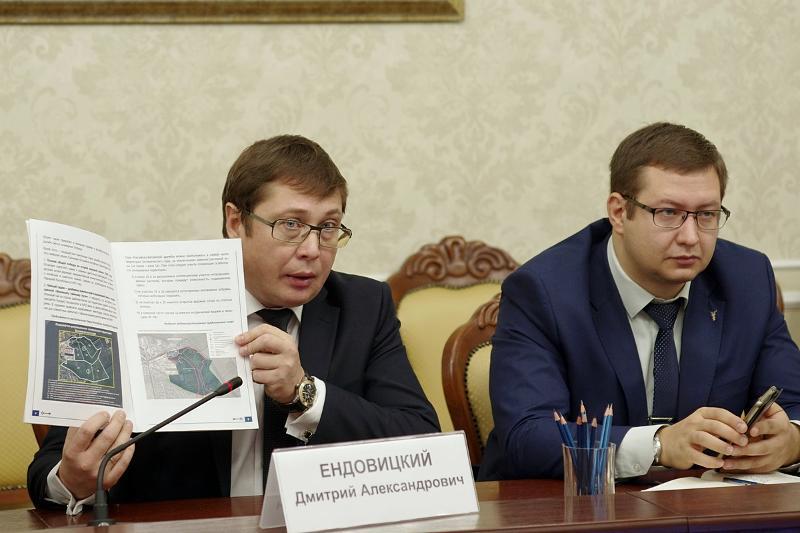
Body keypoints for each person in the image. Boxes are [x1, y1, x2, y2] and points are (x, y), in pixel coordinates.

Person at [29, 135, 439, 512]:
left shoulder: (363, 306)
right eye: (291, 225)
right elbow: (52, 469)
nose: (313, 250)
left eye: (328, 227)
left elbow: (423, 444)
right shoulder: (144, 304)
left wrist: (305, 394)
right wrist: (74, 481)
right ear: (236, 222)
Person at [480, 122, 800, 481]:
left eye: (706, 215)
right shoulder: (544, 291)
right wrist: (659, 444)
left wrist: (792, 440)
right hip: (574, 502)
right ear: (619, 212)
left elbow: (793, 400)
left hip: (705, 502)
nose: (691, 237)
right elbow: (528, 435)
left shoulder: (746, 279)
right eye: (668, 213)